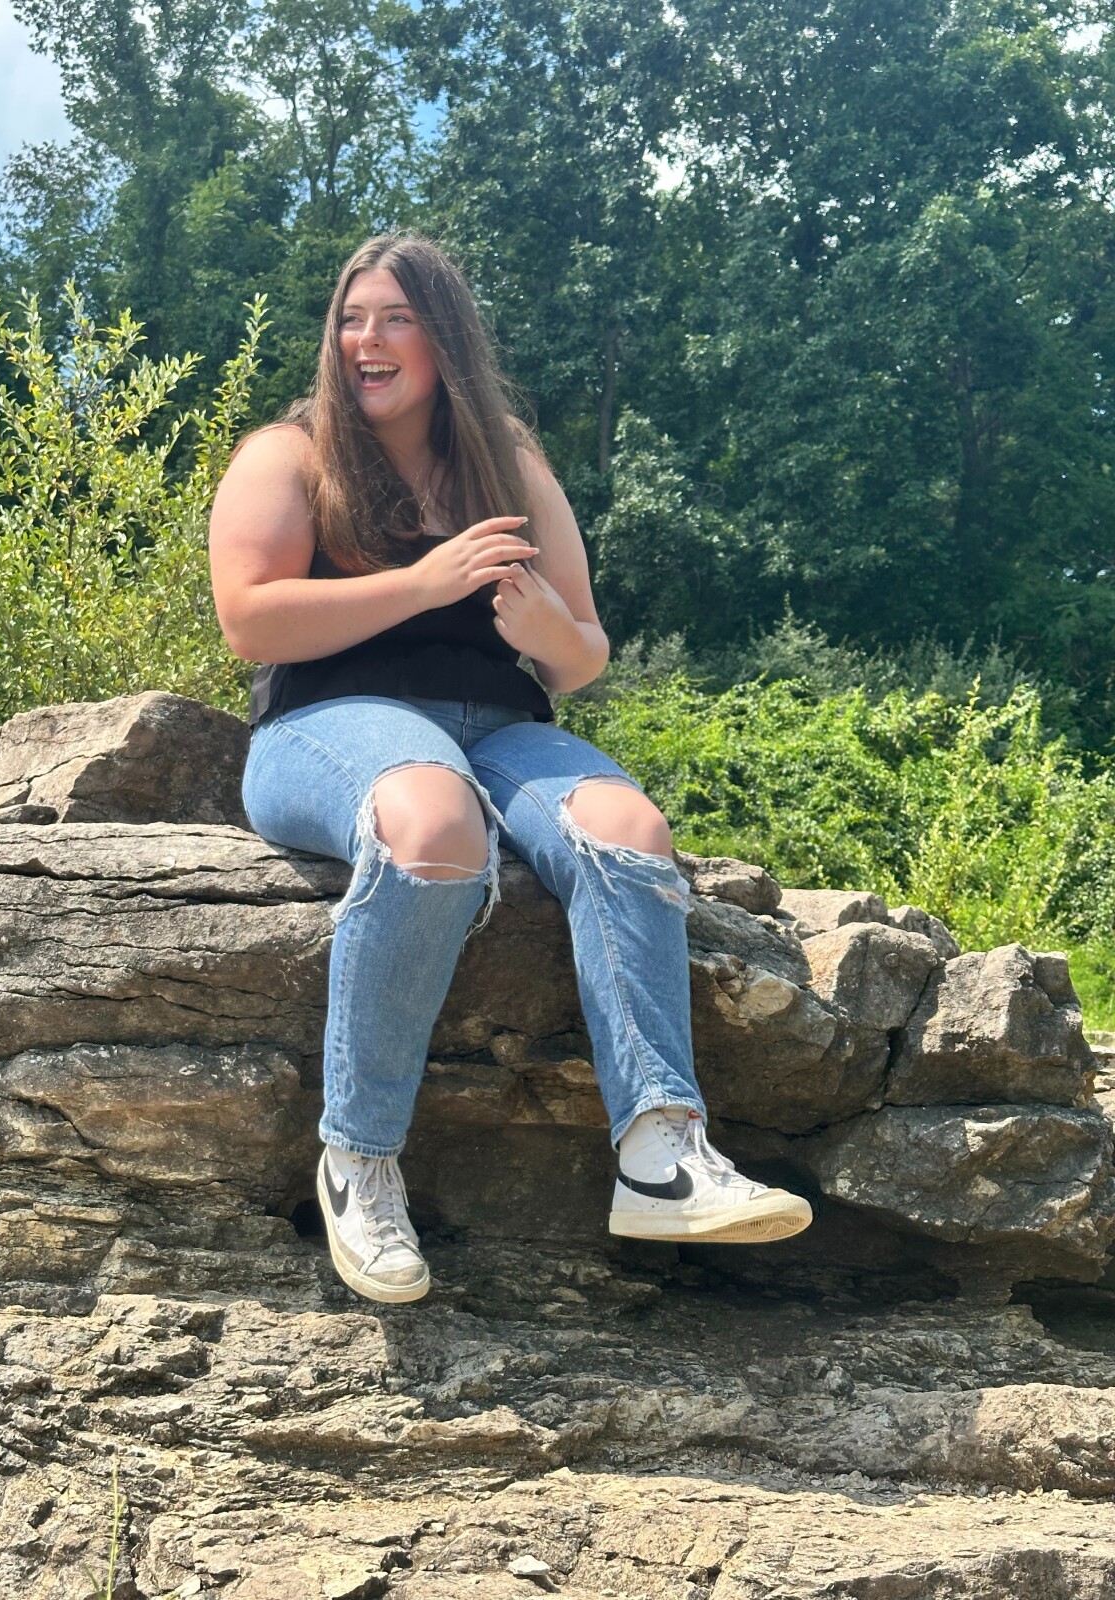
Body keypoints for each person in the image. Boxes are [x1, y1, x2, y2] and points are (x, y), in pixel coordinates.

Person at [208, 232, 812, 1304]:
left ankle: (662, 1155)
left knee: (630, 828)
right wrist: (426, 582)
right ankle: (359, 1162)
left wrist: (545, 629)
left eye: (396, 319)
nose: (366, 339)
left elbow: (581, 657)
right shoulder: (289, 454)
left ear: (445, 337)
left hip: (499, 724)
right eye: (352, 318)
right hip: (331, 722)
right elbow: (249, 619)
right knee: (435, 823)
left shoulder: (507, 463)